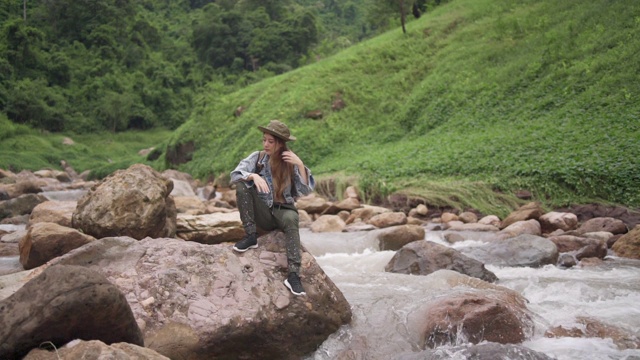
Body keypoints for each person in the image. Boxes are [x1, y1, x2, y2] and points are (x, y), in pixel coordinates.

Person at [230, 120, 315, 296]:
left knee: (292, 219)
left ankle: (293, 275)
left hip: (284, 211)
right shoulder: (258, 157)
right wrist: (253, 176)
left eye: (271, 141)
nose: (266, 144)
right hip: (264, 212)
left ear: (280, 143)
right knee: (241, 186)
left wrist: (300, 165)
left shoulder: (291, 162)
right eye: (264, 140)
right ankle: (251, 236)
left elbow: (305, 190)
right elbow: (235, 174)